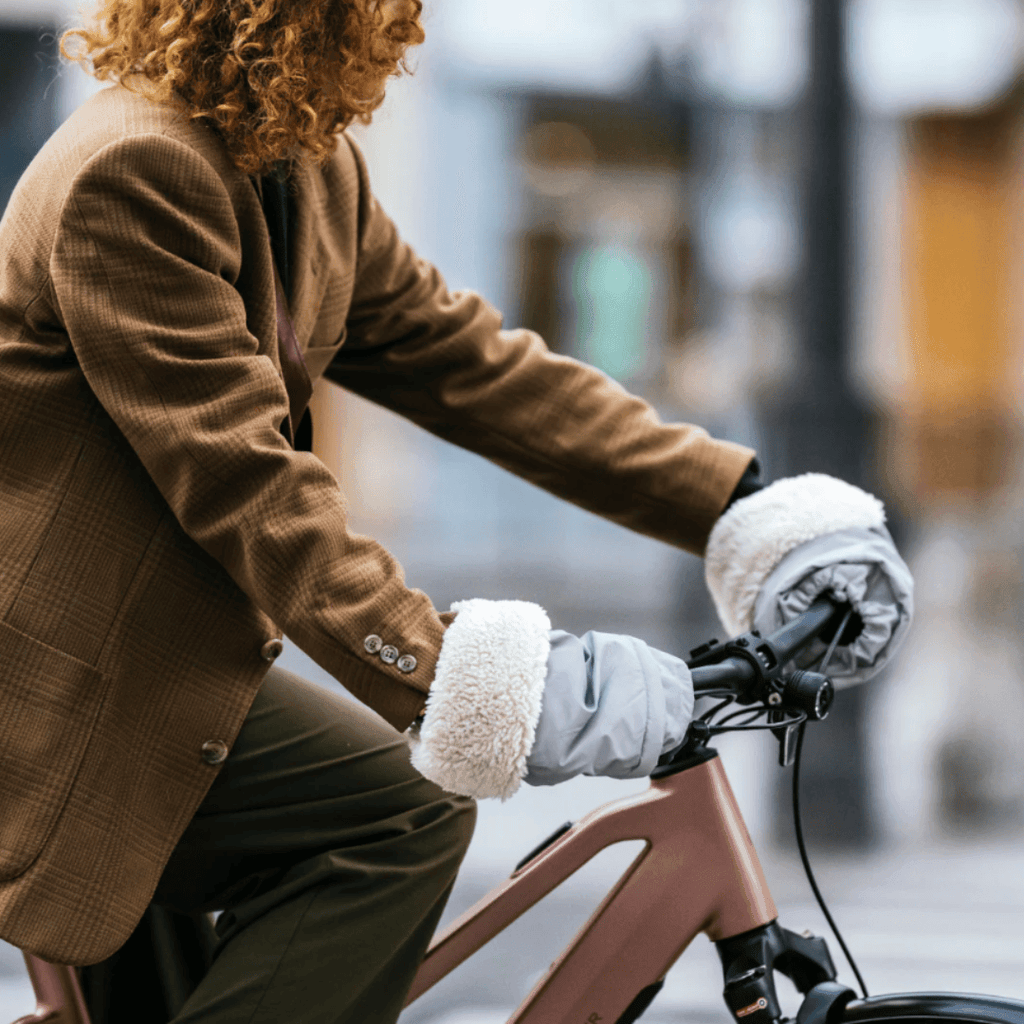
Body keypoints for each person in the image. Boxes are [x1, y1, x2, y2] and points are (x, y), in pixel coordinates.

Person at [0, 0, 913, 1020]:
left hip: (156, 670)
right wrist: (461, 679)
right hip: (57, 694)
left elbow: (468, 364)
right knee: (392, 818)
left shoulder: (301, 164)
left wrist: (742, 506)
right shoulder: (131, 174)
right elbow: (247, 483)